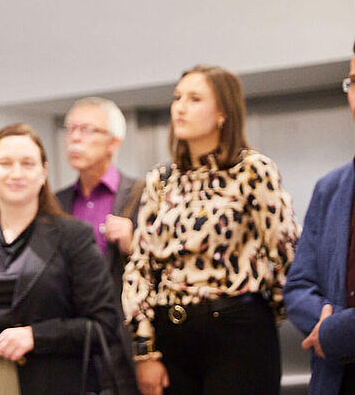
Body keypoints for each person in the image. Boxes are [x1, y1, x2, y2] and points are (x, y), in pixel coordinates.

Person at [123, 65, 299, 395]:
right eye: (177, 98)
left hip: (237, 330)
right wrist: (144, 349)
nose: (180, 107)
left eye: (195, 99)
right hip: (171, 334)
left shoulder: (252, 171)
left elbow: (285, 249)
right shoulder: (161, 179)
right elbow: (140, 266)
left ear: (222, 113)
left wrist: (275, 309)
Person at [0, 123, 122, 395]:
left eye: (27, 163)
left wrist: (35, 336)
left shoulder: (73, 236)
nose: (16, 173)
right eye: (5, 163)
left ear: (43, 172)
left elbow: (104, 324)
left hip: (54, 384)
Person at [55, 97, 142, 393]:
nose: (75, 138)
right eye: (70, 129)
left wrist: (134, 244)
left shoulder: (142, 195)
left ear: (113, 142)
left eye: (87, 130)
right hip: (71, 343)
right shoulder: (55, 204)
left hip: (125, 342)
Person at [284, 43, 355, 395]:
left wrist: (335, 331)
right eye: (354, 82)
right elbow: (298, 286)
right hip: (335, 379)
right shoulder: (330, 188)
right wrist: (327, 324)